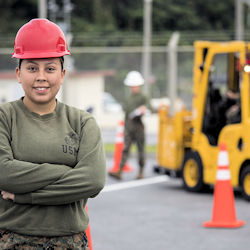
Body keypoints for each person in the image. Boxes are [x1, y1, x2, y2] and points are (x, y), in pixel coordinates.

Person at [0, 18, 106, 249]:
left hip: (70, 242)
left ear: (62, 74)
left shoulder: (82, 122)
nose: (41, 77)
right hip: (12, 240)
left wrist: (24, 196)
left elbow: (93, 180)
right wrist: (68, 172)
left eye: (50, 68)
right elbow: (4, 173)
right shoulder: (4, 117)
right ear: (18, 74)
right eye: (32, 68)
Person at [109, 71, 153, 180]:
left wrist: (144, 109)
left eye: (135, 85)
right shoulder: (128, 98)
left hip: (139, 125)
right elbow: (126, 112)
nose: (133, 87)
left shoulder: (143, 96)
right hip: (129, 126)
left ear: (139, 85)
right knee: (125, 149)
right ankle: (120, 170)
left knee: (140, 149)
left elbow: (150, 108)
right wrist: (125, 128)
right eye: (131, 86)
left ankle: (141, 172)